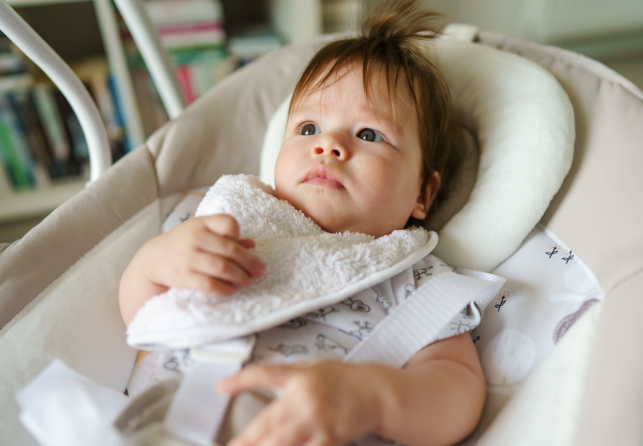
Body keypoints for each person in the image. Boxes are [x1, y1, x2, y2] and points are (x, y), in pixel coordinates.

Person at [118, 1, 484, 445]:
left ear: (422, 194)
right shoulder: (228, 221)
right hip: (164, 421)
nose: (328, 144)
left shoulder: (413, 277)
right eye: (309, 128)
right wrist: (155, 264)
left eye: (369, 135)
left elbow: (457, 388)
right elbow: (144, 318)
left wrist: (374, 399)